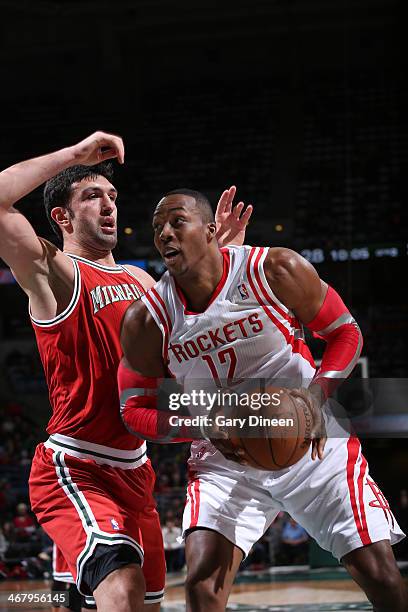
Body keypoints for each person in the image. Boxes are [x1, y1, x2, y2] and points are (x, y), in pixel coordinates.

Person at [118, 189, 408, 612]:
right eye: (157, 227)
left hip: (312, 442)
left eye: (177, 221)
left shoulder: (272, 268)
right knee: (202, 585)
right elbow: (133, 411)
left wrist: (314, 397)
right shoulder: (147, 319)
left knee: (381, 576)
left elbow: (345, 332)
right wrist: (200, 426)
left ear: (211, 231)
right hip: (225, 457)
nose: (164, 233)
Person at [0, 135, 251, 612]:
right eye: (92, 197)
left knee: (140, 604)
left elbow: (197, 330)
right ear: (62, 217)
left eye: (112, 196)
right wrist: (74, 157)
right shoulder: (54, 270)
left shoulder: (140, 282)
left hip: (136, 470)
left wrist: (223, 259)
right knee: (123, 591)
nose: (109, 204)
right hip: (77, 465)